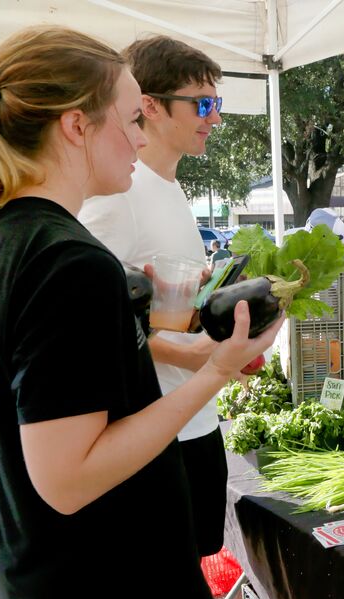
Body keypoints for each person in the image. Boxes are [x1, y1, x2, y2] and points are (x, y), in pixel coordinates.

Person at [0, 26, 278, 599]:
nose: (139, 137)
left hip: (67, 590)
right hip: (111, 597)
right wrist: (217, 370)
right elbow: (69, 477)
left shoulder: (5, 235)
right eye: (132, 118)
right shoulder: (67, 261)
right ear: (77, 125)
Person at [80, 36, 232, 563]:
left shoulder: (170, 186)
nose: (214, 117)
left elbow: (148, 302)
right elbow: (91, 321)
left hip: (198, 421)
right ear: (150, 105)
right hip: (156, 435)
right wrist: (181, 353)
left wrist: (206, 294)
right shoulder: (119, 192)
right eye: (203, 104)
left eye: (218, 104)